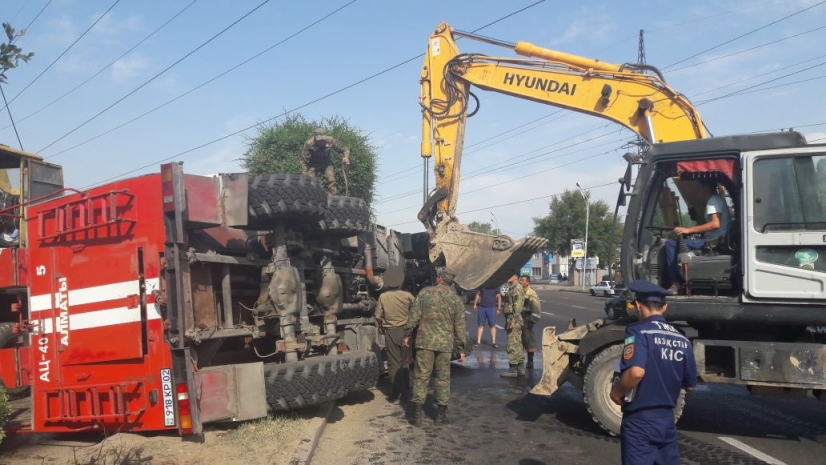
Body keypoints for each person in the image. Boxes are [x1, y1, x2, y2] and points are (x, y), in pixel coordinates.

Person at [610, 280, 697, 465]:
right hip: (667, 421)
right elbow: (689, 385)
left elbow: (636, 372)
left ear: (639, 306)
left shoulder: (638, 332)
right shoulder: (682, 338)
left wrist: (616, 393)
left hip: (640, 420)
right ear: (664, 307)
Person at [403, 269, 467, 426]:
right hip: (445, 345)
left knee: (422, 377)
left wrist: (407, 334)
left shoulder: (425, 293)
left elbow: (414, 315)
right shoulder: (456, 299)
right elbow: (460, 326)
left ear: (439, 278)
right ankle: (440, 416)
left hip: (425, 343)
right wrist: (461, 349)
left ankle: (417, 416)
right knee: (443, 378)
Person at [664, 178, 730, 294]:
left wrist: (688, 230)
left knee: (670, 244)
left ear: (705, 188)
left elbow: (715, 224)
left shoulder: (713, 201)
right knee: (682, 240)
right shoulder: (717, 199)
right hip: (716, 239)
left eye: (698, 188)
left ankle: (676, 283)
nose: (696, 192)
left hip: (713, 241)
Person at [375, 266, 415, 403]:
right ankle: (407, 390)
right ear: (400, 281)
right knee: (405, 361)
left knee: (393, 363)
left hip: (391, 332)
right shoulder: (407, 296)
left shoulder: (383, 296)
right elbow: (416, 312)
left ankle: (396, 392)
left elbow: (377, 316)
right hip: (406, 332)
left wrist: (382, 324)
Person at [300, 128, 351, 195]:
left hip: (326, 163)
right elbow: (304, 160)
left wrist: (345, 157)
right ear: (315, 138)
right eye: (319, 140)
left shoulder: (331, 141)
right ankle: (310, 196)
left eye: (322, 139)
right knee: (309, 180)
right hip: (313, 164)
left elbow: (344, 149)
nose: (321, 142)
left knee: (331, 180)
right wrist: (304, 173)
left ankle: (332, 198)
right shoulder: (309, 144)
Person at [500, 273, 526, 378]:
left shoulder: (517, 288)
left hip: (514, 320)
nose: (508, 276)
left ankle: (513, 369)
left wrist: (512, 321)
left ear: (516, 277)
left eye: (511, 275)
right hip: (513, 319)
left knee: (512, 345)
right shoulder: (513, 288)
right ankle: (520, 368)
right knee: (517, 344)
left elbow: (518, 307)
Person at [518, 275, 541, 369]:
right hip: (519, 319)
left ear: (527, 282)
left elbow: (536, 309)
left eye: (522, 280)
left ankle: (530, 362)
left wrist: (531, 322)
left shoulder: (531, 293)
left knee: (528, 341)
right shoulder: (520, 291)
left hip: (527, 319)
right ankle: (519, 362)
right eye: (520, 280)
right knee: (518, 341)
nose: (520, 282)